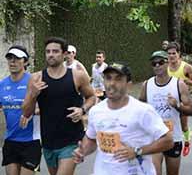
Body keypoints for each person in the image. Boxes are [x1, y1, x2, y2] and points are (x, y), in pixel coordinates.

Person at [72, 62, 174, 175]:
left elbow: (168, 140)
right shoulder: (96, 111)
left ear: (129, 85)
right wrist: (83, 151)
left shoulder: (143, 110)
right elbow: (91, 139)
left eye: (118, 79)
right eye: (108, 78)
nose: (111, 83)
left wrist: (137, 151)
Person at [22, 37, 96, 175]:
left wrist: (82, 109)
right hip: (48, 141)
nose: (51, 54)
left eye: (55, 51)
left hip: (71, 140)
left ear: (64, 54)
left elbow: (92, 97)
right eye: (48, 51)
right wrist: (33, 94)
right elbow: (26, 113)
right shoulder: (36, 78)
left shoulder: (77, 76)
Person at [140, 52, 192, 175]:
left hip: (173, 138)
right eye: (154, 63)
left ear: (168, 63)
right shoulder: (146, 85)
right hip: (154, 138)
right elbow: (139, 110)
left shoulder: (178, 85)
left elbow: (191, 110)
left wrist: (177, 105)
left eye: (160, 62)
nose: (157, 66)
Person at [0, 46, 41, 175]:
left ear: (25, 62)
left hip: (31, 142)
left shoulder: (34, 81)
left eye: (17, 58)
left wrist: (32, 112)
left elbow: (46, 107)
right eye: (10, 58)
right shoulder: (2, 84)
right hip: (10, 140)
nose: (12, 62)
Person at [165, 43, 192, 157]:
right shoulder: (164, 67)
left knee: (183, 125)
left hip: (182, 101)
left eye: (174, 53)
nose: (171, 56)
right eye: (169, 54)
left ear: (179, 54)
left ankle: (187, 142)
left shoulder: (186, 67)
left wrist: (185, 82)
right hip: (169, 101)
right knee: (168, 126)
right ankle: (170, 145)